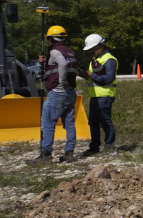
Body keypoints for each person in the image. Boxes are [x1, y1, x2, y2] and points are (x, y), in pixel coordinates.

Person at [28, 26, 78, 165]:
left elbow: (61, 64)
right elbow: (68, 67)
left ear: (50, 39)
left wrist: (61, 82)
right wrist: (44, 63)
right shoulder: (71, 52)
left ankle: (46, 155)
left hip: (57, 92)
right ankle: (69, 153)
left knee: (48, 123)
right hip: (70, 92)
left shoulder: (55, 52)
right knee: (69, 124)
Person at [81, 33, 117, 156]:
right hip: (95, 96)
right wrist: (86, 75)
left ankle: (109, 145)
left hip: (105, 95)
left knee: (105, 121)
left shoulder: (109, 59)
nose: (91, 51)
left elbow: (108, 78)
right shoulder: (96, 60)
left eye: (92, 48)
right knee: (93, 122)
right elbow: (96, 78)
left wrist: (90, 75)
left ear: (100, 47)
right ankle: (94, 146)